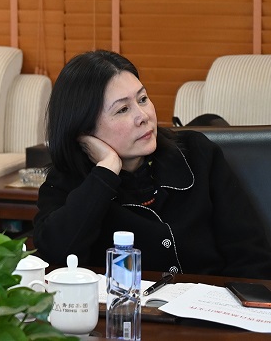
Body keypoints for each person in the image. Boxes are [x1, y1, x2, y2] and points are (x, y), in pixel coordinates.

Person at [33, 50, 271, 277]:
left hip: (211, 304)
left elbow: (250, 256)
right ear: (84, 129)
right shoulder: (69, 181)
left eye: (143, 99)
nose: (143, 116)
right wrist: (106, 172)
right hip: (124, 306)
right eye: (123, 109)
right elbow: (56, 259)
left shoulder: (197, 154)